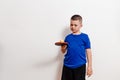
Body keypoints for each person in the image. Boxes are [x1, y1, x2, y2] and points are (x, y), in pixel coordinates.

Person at [61, 14, 93, 80]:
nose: (73, 27)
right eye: (71, 24)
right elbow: (63, 51)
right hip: (67, 66)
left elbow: (88, 52)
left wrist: (89, 66)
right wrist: (63, 48)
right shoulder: (68, 37)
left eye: (75, 25)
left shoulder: (85, 37)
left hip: (80, 66)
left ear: (81, 25)